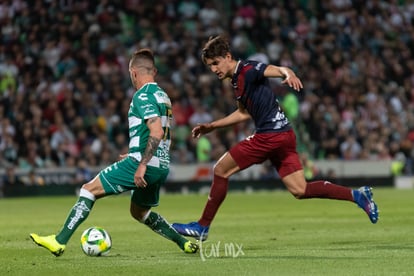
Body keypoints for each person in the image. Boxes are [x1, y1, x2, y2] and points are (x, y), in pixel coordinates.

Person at [172, 35, 379, 241]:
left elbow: (277, 70)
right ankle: (357, 196)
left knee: (220, 170)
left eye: (216, 63)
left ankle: (202, 226)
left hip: (269, 135)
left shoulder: (248, 69)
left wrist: (287, 74)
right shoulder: (236, 81)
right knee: (300, 189)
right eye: (210, 66)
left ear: (228, 56)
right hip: (285, 135)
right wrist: (212, 126)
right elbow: (244, 113)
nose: (214, 69)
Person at [30, 49, 199, 256]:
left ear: (133, 72)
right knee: (140, 212)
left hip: (143, 164)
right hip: (161, 164)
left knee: (88, 190)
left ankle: (59, 240)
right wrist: (139, 154)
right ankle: (183, 243)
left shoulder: (142, 95)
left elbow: (155, 131)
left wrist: (141, 163)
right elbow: (160, 133)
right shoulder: (163, 96)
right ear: (153, 71)